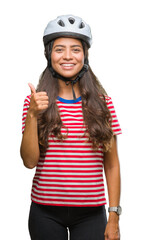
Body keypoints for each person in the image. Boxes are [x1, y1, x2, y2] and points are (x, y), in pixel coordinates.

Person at [20, 14, 122, 240]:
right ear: (49, 54)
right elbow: (29, 162)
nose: (67, 56)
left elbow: (112, 164)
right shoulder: (34, 102)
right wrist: (33, 115)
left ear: (85, 55)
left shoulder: (103, 103)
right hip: (44, 212)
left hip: (91, 215)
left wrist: (113, 216)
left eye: (75, 49)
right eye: (59, 49)